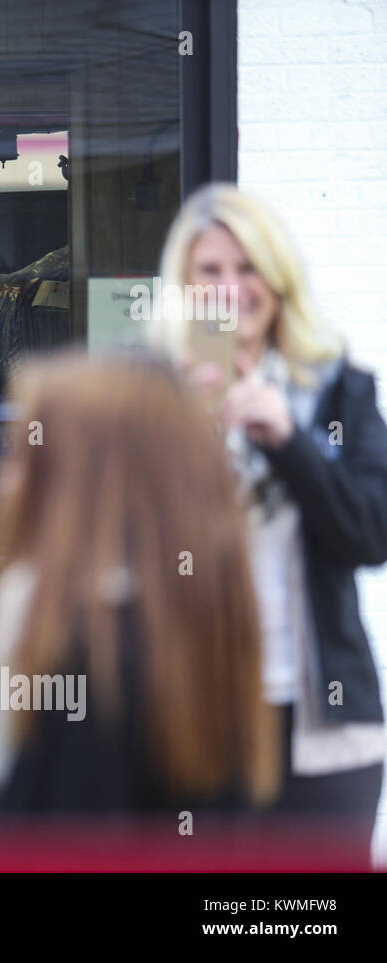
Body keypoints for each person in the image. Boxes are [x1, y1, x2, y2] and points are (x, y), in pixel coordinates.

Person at [151, 183, 387, 855]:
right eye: (211, 270)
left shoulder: (339, 392)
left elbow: (370, 533)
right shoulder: (151, 396)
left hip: (323, 731)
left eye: (248, 266)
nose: (230, 287)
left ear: (278, 278)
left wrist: (288, 439)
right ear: (184, 285)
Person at [0, 352, 281, 834]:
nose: (4, 479)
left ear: (86, 482)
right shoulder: (187, 624)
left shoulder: (93, 659)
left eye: (27, 455)